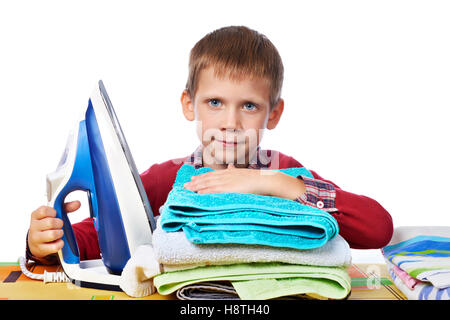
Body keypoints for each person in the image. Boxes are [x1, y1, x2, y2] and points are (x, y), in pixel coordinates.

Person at [26, 25, 393, 265]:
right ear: (190, 105)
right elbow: (103, 237)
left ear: (274, 114)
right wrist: (44, 241)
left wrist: (275, 185)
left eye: (249, 106)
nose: (230, 123)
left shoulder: (285, 174)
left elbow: (377, 228)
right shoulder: (165, 181)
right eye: (215, 103)